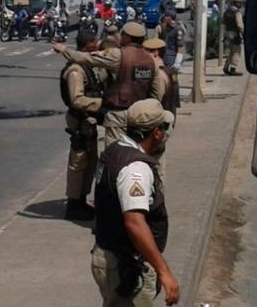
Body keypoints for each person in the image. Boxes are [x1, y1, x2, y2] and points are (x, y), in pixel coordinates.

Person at [92, 99, 179, 307]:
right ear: (156, 132)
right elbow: (134, 222)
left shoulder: (114, 151)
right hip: (124, 265)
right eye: (164, 128)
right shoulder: (136, 169)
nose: (166, 134)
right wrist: (164, 271)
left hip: (109, 255)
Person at [54, 22, 164, 149]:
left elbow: (86, 58)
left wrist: (64, 50)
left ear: (128, 37)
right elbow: (157, 93)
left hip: (118, 115)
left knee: (115, 154)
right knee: (138, 151)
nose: (120, 37)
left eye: (123, 35)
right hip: (141, 115)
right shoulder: (151, 61)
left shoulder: (118, 54)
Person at [60, 30, 107, 220]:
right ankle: (74, 204)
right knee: (78, 162)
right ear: (87, 44)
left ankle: (81, 199)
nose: (97, 43)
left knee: (90, 162)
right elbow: (77, 100)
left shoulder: (86, 65)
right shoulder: (76, 71)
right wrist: (103, 105)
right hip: (80, 121)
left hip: (89, 121)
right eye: (94, 41)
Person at [142, 38, 179, 183]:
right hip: (166, 121)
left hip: (157, 124)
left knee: (155, 165)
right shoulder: (169, 71)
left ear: (155, 53)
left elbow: (154, 102)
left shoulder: (158, 74)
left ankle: (156, 199)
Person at [222, 0, 244, 76]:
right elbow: (240, 25)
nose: (240, 4)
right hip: (235, 34)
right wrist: (243, 33)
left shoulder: (226, 12)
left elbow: (223, 23)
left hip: (227, 34)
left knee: (230, 52)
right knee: (236, 52)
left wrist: (224, 35)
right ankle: (233, 69)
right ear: (236, 3)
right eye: (239, 3)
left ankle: (226, 67)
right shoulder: (237, 12)